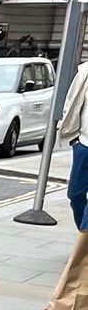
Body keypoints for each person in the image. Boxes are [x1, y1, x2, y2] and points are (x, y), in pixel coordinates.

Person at [57, 57, 88, 232]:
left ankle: (83, 250)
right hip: (84, 144)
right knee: (75, 195)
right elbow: (72, 102)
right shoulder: (85, 72)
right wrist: (75, 139)